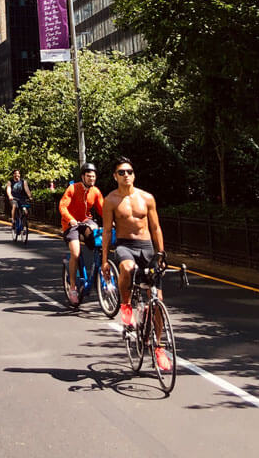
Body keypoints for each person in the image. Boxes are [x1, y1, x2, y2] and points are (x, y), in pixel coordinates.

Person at [101, 158, 170, 372]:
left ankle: (158, 348)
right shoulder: (110, 200)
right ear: (115, 176)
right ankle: (126, 305)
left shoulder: (146, 198)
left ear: (134, 174)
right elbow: (106, 231)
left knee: (157, 299)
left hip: (146, 246)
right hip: (124, 245)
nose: (126, 175)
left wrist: (161, 254)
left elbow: (156, 227)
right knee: (128, 268)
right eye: (121, 172)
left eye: (129, 171)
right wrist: (104, 260)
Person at [60, 163, 105, 305]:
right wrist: (71, 219)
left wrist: (111, 221)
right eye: (88, 176)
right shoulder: (72, 188)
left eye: (93, 176)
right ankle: (73, 287)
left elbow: (103, 209)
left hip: (86, 222)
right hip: (71, 225)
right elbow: (62, 206)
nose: (91, 178)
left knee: (100, 242)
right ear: (83, 177)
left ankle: (97, 274)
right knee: (76, 253)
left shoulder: (95, 191)